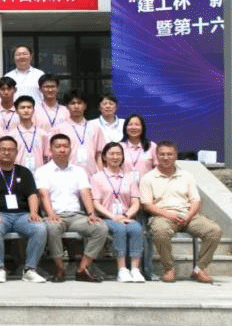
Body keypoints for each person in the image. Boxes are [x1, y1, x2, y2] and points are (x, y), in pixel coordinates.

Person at [139, 140, 223, 283]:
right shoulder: (148, 178)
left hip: (187, 215)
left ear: (176, 155)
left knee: (214, 230)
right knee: (160, 231)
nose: (166, 157)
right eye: (162, 154)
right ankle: (169, 269)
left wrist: (189, 215)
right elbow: (147, 205)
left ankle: (199, 269)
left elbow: (196, 201)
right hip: (163, 215)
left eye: (169, 154)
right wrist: (169, 215)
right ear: (156, 156)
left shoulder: (186, 176)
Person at [35, 134, 108, 282]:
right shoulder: (42, 171)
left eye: (65, 146)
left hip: (76, 216)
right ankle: (60, 269)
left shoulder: (79, 171)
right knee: (52, 228)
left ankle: (82, 269)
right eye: (58, 146)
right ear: (50, 149)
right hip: (55, 215)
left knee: (101, 228)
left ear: (70, 148)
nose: (62, 150)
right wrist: (50, 214)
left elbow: (85, 193)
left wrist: (91, 213)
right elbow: (43, 195)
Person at [0, 136, 48, 283]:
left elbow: (32, 195)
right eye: (3, 149)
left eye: (10, 150)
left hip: (22, 215)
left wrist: (34, 213)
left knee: (40, 228)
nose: (6, 152)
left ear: (16, 152)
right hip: (0, 214)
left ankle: (30, 269)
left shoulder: (24, 172)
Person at [90, 142, 145, 283]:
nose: (115, 157)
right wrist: (113, 217)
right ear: (104, 157)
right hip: (106, 217)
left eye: (118, 154)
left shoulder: (129, 178)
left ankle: (135, 269)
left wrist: (126, 215)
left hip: (126, 217)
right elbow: (96, 203)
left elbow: (135, 202)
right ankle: (122, 269)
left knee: (137, 228)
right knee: (120, 229)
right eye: (111, 154)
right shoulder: (97, 177)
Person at [59, 89, 104, 176]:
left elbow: (99, 154)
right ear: (67, 106)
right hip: (68, 175)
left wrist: (101, 175)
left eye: (79, 103)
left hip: (92, 175)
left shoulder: (95, 128)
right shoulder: (59, 129)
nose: (76, 106)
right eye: (72, 103)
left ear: (85, 106)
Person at [8, 95, 49, 171]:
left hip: (38, 174)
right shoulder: (11, 135)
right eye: (22, 108)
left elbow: (46, 157)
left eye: (29, 107)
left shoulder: (43, 134)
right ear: (16, 111)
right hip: (19, 173)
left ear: (33, 110)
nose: (26, 110)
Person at [120, 114, 156, 182]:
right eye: (130, 124)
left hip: (146, 186)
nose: (133, 127)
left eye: (137, 125)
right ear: (125, 127)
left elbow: (158, 168)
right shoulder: (119, 147)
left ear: (142, 128)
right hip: (125, 186)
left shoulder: (152, 146)